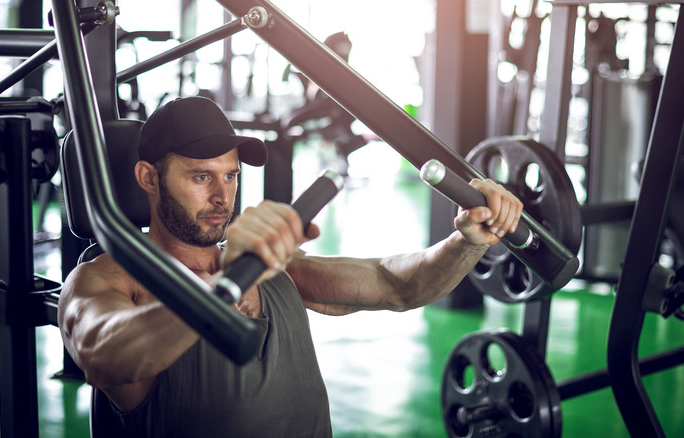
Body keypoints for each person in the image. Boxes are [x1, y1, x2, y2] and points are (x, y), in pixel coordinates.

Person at [57, 96, 523, 437]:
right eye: (201, 177)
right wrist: (224, 284)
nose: (222, 197)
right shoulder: (107, 279)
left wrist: (467, 239)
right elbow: (106, 356)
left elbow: (397, 284)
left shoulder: (275, 269)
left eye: (231, 175)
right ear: (148, 178)